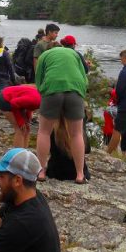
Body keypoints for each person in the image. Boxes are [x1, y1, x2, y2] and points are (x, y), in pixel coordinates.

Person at [35, 45, 88, 183]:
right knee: (76, 134)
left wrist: (44, 93)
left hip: (52, 89)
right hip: (75, 89)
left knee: (44, 132)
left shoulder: (44, 55)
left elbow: (38, 78)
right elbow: (84, 76)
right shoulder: (74, 53)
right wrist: (81, 94)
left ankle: (41, 171)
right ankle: (80, 175)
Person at [45, 113, 91, 181]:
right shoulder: (78, 133)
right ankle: (80, 175)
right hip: (75, 173)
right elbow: (87, 149)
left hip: (56, 172)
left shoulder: (52, 130)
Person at [102, 88, 126, 153]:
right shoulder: (115, 108)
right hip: (110, 130)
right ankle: (114, 152)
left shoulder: (110, 104)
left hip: (108, 130)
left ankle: (112, 151)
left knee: (108, 142)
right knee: (111, 143)